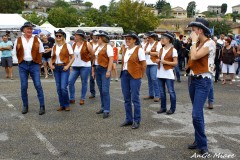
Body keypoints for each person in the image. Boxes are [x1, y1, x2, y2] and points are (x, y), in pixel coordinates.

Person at [186, 18, 216, 155]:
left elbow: (196, 56)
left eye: (193, 29)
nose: (191, 32)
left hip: (203, 81)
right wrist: (193, 43)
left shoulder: (210, 43)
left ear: (200, 30)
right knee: (198, 113)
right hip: (193, 79)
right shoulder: (197, 43)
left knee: (196, 114)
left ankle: (203, 145)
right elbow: (191, 58)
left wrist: (192, 42)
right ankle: (198, 140)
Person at [12, 22, 46, 115]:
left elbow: (41, 51)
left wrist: (39, 62)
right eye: (28, 29)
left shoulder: (37, 39)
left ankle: (42, 106)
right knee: (23, 86)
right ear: (23, 30)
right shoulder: (18, 40)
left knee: (38, 85)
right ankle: (25, 105)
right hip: (23, 64)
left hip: (34, 64)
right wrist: (18, 62)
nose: (30, 30)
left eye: (31, 29)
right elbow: (14, 52)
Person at [120, 31, 146, 129]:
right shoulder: (125, 50)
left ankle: (137, 120)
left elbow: (143, 65)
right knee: (126, 98)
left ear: (134, 40)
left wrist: (140, 75)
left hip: (134, 76)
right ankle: (129, 119)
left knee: (135, 98)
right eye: (126, 39)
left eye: (129, 39)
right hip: (125, 74)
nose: (127, 40)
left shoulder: (139, 49)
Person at [49, 29, 75, 111]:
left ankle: (66, 104)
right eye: (57, 36)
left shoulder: (67, 46)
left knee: (63, 87)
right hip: (56, 68)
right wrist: (50, 65)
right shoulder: (54, 46)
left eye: (60, 36)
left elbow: (73, 57)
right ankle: (61, 104)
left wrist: (68, 66)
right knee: (58, 88)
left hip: (64, 67)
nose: (58, 37)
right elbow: (51, 58)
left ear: (63, 37)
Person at [68, 29, 93, 105]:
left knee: (84, 83)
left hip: (85, 66)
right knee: (70, 82)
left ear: (80, 36)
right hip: (75, 66)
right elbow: (71, 55)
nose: (75, 36)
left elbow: (92, 54)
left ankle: (82, 98)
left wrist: (88, 60)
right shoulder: (74, 44)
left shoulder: (87, 44)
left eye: (76, 35)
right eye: (75, 35)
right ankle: (72, 98)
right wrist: (71, 65)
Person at [92, 30, 113, 119]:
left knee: (105, 90)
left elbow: (111, 59)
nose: (97, 38)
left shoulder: (108, 47)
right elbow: (94, 60)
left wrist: (108, 71)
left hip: (104, 69)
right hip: (97, 69)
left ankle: (106, 109)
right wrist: (93, 71)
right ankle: (103, 107)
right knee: (101, 89)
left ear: (103, 38)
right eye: (97, 37)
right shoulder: (97, 47)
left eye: (99, 37)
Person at [156, 31, 178, 115]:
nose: (161, 40)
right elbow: (158, 59)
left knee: (171, 91)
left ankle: (172, 108)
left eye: (163, 38)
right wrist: (157, 61)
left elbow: (175, 63)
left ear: (168, 39)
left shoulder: (173, 50)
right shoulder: (161, 49)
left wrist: (165, 62)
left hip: (168, 73)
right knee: (162, 92)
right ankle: (163, 107)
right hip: (160, 72)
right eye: (161, 38)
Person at [143, 31, 161, 102]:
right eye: (147, 38)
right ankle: (151, 94)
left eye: (149, 38)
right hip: (148, 63)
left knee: (154, 79)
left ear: (153, 38)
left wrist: (149, 52)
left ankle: (157, 95)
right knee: (149, 79)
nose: (148, 39)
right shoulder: (146, 44)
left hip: (154, 64)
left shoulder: (158, 44)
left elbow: (158, 53)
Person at [89, 30, 98, 99]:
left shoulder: (100, 43)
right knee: (92, 78)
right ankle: (92, 92)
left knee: (99, 79)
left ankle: (102, 91)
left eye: (97, 36)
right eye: (95, 36)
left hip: (99, 62)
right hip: (91, 62)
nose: (96, 37)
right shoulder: (89, 44)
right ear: (92, 36)